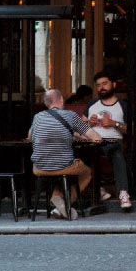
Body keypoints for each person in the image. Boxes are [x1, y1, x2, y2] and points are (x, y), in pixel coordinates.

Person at [30, 89, 103, 220]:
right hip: (64, 166)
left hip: (39, 168)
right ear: (61, 100)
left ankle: (58, 200)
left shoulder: (38, 117)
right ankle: (64, 201)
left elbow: (30, 136)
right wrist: (81, 136)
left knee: (60, 174)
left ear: (46, 103)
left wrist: (70, 134)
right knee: (86, 172)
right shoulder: (70, 115)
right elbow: (96, 138)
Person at [85, 71, 132, 210]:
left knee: (117, 153)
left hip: (113, 141)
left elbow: (130, 129)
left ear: (114, 84)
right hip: (93, 142)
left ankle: (123, 193)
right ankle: (97, 189)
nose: (101, 87)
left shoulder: (123, 105)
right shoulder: (92, 104)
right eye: (98, 85)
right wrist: (89, 123)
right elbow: (79, 127)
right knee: (77, 156)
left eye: (105, 83)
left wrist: (114, 124)